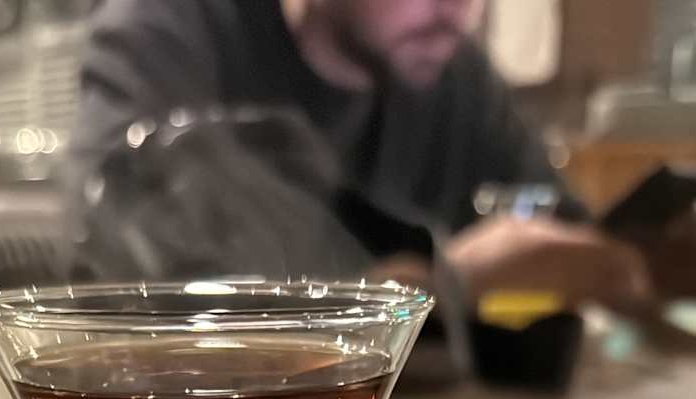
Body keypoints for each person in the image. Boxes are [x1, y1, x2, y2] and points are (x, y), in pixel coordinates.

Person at [69, 0, 654, 313]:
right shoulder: (169, 29)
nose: (458, 9)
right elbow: (150, 285)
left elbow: (560, 223)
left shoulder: (456, 78)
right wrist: (446, 284)